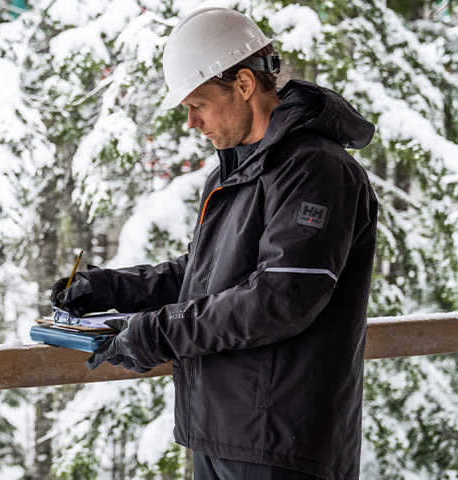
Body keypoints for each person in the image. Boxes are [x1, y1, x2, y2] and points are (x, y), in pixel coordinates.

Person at [50, 7, 377, 480]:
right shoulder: (236, 173)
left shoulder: (315, 170)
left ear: (244, 84)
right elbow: (203, 273)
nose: (191, 122)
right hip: (220, 430)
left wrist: (155, 331)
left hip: (280, 442)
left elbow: (280, 298)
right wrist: (108, 289)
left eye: (197, 104)